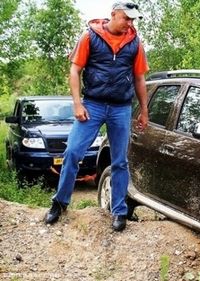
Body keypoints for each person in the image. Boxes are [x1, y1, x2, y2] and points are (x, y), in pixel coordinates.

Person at [44, 1, 149, 232]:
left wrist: (144, 110)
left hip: (121, 108)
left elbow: (140, 78)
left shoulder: (135, 43)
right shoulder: (90, 37)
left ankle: (119, 211)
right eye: (126, 18)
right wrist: (77, 103)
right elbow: (75, 70)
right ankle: (60, 203)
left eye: (132, 19)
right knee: (72, 152)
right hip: (92, 105)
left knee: (120, 160)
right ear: (113, 15)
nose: (129, 23)